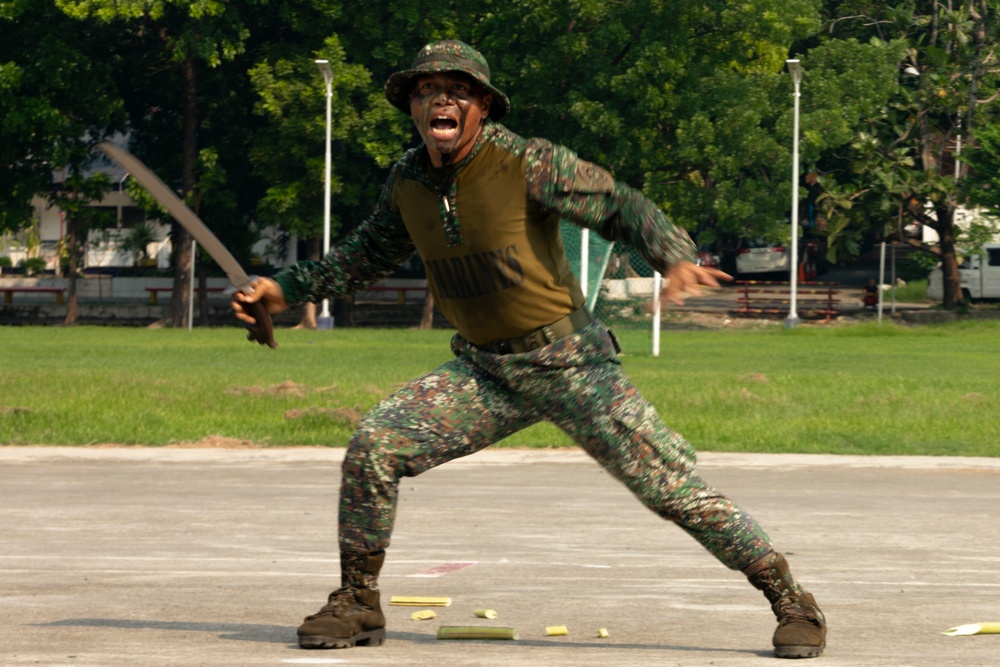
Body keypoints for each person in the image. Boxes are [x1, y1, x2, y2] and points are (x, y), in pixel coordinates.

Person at [232, 40, 826, 659]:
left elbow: (619, 204)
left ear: (482, 106)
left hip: (570, 362)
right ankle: (358, 601)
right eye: (426, 90)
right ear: (411, 106)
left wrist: (674, 256)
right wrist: (284, 289)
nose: (441, 99)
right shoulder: (407, 180)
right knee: (374, 446)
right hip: (485, 369)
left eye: (458, 90)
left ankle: (792, 601)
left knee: (671, 491)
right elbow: (362, 256)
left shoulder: (527, 163)